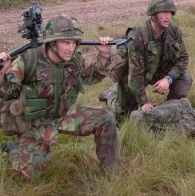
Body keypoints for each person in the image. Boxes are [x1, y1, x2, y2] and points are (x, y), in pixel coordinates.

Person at [0, 14, 120, 179]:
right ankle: (13, 149)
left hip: (64, 115)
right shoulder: (28, 60)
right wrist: (1, 73)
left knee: (106, 119)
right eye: (65, 42)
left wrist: (105, 55)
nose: (71, 48)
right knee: (29, 176)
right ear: (52, 43)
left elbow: (90, 77)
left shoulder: (74, 59)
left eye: (73, 43)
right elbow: (6, 93)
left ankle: (112, 173)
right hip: (35, 123)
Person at [100, 0, 192, 121]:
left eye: (170, 13)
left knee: (185, 78)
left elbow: (183, 59)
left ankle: (168, 109)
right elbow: (135, 73)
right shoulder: (137, 34)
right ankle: (110, 94)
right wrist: (144, 102)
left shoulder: (173, 30)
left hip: (158, 71)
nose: (168, 16)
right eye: (164, 12)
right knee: (122, 115)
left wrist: (168, 79)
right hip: (133, 76)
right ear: (153, 14)